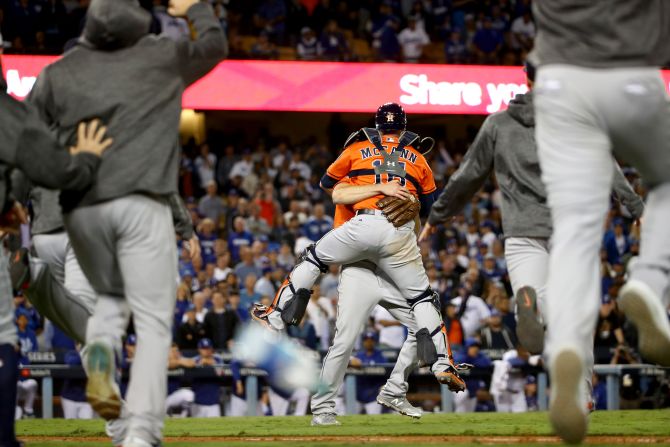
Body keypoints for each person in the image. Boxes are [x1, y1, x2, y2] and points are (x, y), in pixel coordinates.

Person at [19, 0, 226, 445]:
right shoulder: (157, 57)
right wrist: (196, 9)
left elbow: (21, 141)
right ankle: (140, 434)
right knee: (151, 323)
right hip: (137, 204)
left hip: (72, 215)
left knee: (104, 302)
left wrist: (12, 202)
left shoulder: (57, 74)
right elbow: (213, 45)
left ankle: (85, 333)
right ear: (137, 29)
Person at [419, 63, 644, 416]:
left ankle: (531, 307)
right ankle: (579, 393)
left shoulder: (499, 123)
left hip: (522, 232)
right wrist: (635, 206)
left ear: (526, 78)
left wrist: (437, 215)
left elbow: (469, 175)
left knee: (538, 298)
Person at [253, 103, 466, 426]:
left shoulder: (355, 152)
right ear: (403, 128)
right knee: (423, 305)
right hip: (394, 245)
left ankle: (375, 393)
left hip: (363, 242)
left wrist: (371, 185)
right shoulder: (417, 160)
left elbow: (329, 185)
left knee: (343, 330)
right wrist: (409, 212)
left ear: (374, 128)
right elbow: (432, 209)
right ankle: (440, 361)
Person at [530, 0, 670, 442]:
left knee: (574, 226)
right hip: (635, 75)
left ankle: (567, 346)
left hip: (559, 82)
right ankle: (649, 280)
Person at [0, 57, 111, 445]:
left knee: (72, 320)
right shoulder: (94, 131)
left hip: (42, 238)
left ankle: (33, 274)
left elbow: (16, 192)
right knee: (87, 324)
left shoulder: (28, 132)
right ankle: (113, 411)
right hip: (75, 237)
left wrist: (19, 243)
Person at [350, 331, 387, 415]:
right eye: (366, 340)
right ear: (363, 342)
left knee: (375, 421)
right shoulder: (359, 355)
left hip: (373, 396)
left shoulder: (380, 356)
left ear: (375, 341)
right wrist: (351, 361)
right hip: (358, 395)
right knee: (352, 420)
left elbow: (385, 372)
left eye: (371, 340)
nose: (369, 342)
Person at [191, 338, 224, 417]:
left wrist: (214, 364)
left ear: (211, 349)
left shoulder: (217, 359)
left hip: (213, 403)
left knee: (215, 428)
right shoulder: (195, 360)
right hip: (198, 403)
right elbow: (189, 377)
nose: (206, 351)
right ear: (199, 349)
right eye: (203, 348)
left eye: (208, 348)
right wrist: (199, 365)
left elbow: (222, 375)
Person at [61, 347, 94, 419]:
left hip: (86, 399)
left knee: (87, 426)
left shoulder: (94, 356)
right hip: (69, 398)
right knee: (70, 426)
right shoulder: (71, 353)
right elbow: (71, 362)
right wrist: (83, 354)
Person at [165, 344, 195, 417]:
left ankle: (182, 418)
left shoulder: (179, 359)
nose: (176, 353)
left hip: (172, 396)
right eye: (173, 351)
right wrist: (179, 362)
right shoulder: (160, 359)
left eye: (177, 350)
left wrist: (179, 361)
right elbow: (168, 364)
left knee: (189, 394)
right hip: (159, 399)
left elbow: (192, 362)